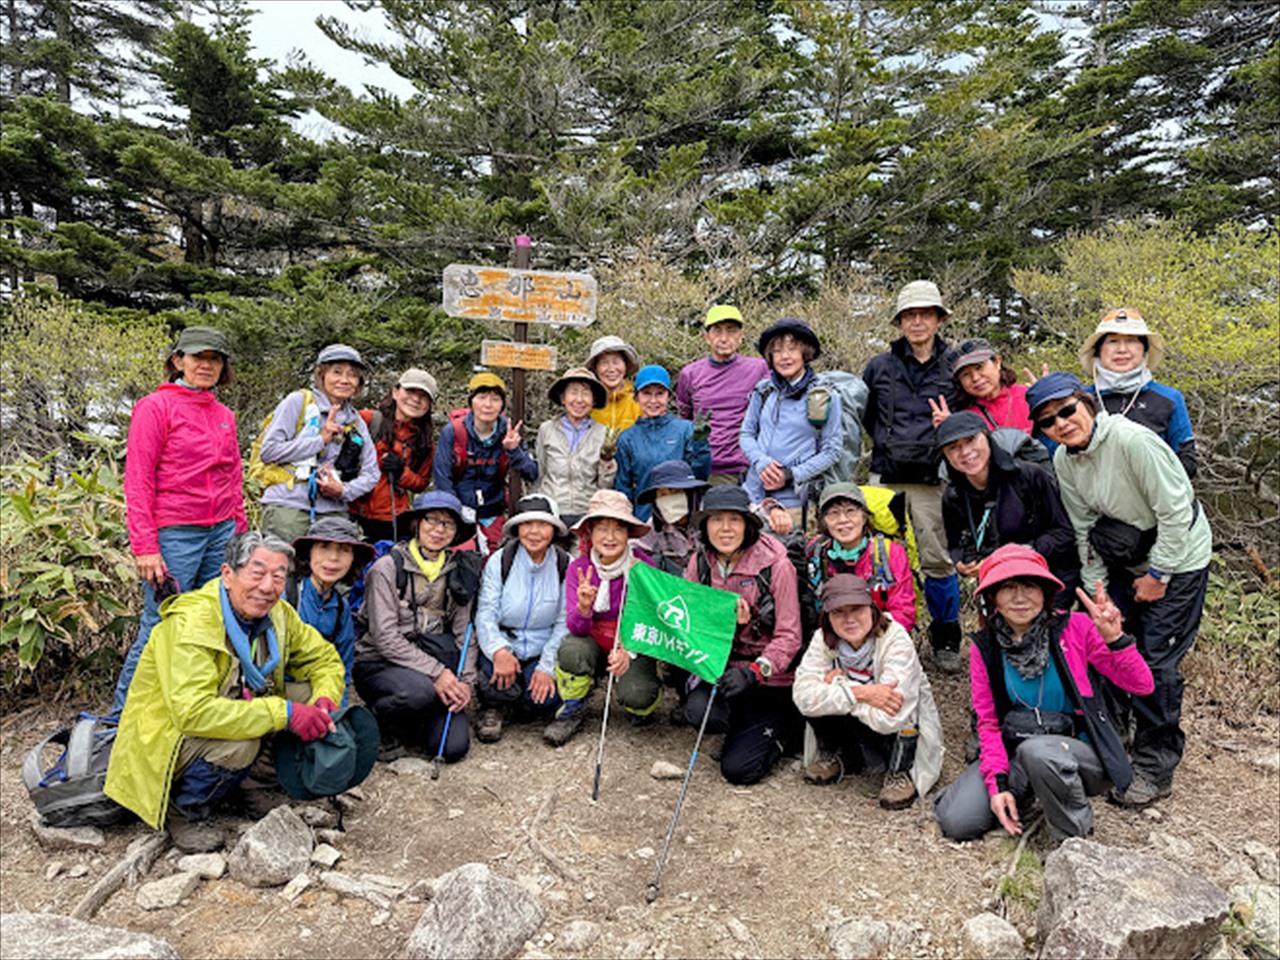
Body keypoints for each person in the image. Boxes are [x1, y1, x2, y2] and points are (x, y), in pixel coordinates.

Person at [1025, 372, 1211, 807]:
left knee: (1156, 660)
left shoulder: (1133, 442)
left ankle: (1155, 764)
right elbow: (1083, 528)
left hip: (1179, 559)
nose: (1061, 424)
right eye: (1048, 421)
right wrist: (1099, 591)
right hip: (1125, 558)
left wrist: (1159, 576)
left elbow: (1176, 511)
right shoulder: (1065, 460)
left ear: (1087, 403)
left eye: (1067, 410)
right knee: (1109, 647)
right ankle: (1115, 737)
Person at [104, 532, 346, 836]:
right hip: (170, 733)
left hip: (235, 705)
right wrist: (284, 713)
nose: (267, 587)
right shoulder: (191, 623)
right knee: (240, 746)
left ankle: (252, 784)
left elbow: (324, 659)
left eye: (278, 577)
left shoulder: (278, 613)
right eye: (257, 574)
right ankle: (184, 809)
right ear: (228, 575)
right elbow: (193, 713)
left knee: (309, 694)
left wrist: (325, 697)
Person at [933, 545, 1154, 842]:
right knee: (958, 820)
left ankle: (1072, 837)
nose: (1020, 597)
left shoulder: (1076, 628)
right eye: (1008, 588)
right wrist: (998, 786)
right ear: (992, 597)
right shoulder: (986, 647)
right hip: (1018, 749)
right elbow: (989, 723)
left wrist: (1115, 639)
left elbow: (1142, 685)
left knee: (1038, 751)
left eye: (1029, 586)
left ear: (1045, 592)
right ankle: (1026, 792)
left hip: (1081, 753)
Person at [111, 326, 248, 718]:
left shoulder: (224, 415)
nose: (206, 365)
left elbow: (233, 479)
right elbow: (138, 480)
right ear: (178, 360)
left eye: (214, 359)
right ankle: (122, 720)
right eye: (197, 357)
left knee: (211, 622)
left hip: (221, 532)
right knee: (160, 623)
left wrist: (239, 535)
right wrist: (145, 547)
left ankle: (189, 708)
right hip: (174, 534)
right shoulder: (155, 407)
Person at [861, 281, 962, 672]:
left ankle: (946, 637)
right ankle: (879, 634)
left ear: (938, 319)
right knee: (876, 556)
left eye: (925, 314)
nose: (917, 322)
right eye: (909, 315)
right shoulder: (879, 366)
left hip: (934, 476)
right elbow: (867, 416)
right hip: (886, 473)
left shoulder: (954, 365)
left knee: (938, 559)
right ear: (900, 321)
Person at [683, 485, 804, 785]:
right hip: (723, 670)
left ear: (747, 524)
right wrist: (729, 627)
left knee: (738, 771)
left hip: (769, 678)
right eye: (716, 519)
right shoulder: (699, 563)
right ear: (705, 526)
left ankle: (788, 730)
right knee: (699, 712)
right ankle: (739, 726)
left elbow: (789, 635)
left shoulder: (777, 566)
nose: (725, 528)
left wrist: (755, 671)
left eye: (734, 520)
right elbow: (692, 623)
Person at [792, 574, 942, 808]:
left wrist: (837, 684)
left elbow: (889, 718)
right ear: (827, 616)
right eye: (839, 612)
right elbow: (803, 697)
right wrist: (862, 692)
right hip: (860, 720)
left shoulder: (895, 638)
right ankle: (844, 754)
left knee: (900, 714)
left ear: (872, 609)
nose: (849, 619)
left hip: (893, 731)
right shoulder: (823, 639)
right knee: (818, 701)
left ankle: (901, 771)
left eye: (857, 609)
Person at [354, 491, 481, 762]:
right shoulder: (387, 568)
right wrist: (438, 673)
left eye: (448, 523)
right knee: (417, 692)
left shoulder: (459, 572)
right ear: (416, 523)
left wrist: (464, 682)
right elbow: (385, 638)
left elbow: (464, 632)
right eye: (431, 520)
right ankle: (380, 723)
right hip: (380, 663)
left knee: (452, 748)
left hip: (432, 663)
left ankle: (415, 722)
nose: (439, 530)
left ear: (456, 532)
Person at [543, 490, 659, 746]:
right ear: (590, 533)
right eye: (602, 529)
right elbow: (576, 628)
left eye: (618, 529)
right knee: (571, 650)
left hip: (631, 641)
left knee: (639, 695)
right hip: (594, 639)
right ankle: (574, 705)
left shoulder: (644, 567)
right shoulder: (579, 568)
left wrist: (627, 650)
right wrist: (584, 607)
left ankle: (639, 705)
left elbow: (651, 620)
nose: (610, 537)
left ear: (628, 534)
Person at [936, 411, 1079, 606]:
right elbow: (955, 544)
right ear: (945, 456)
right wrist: (962, 563)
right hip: (997, 589)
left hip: (1047, 583)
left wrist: (1020, 554)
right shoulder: (953, 495)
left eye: (971, 440)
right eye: (953, 447)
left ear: (987, 438)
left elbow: (1063, 532)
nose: (965, 452)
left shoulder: (1028, 476)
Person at [257, 344, 379, 544]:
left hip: (334, 511)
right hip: (288, 506)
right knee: (285, 563)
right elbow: (269, 451)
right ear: (321, 375)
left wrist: (344, 491)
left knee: (332, 564)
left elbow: (371, 472)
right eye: (336, 372)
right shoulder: (298, 402)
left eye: (352, 375)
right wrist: (320, 440)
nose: (344, 380)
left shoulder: (355, 421)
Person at [474, 495, 571, 744]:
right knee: (495, 679)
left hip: (541, 647)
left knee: (543, 700)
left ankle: (520, 700)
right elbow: (486, 612)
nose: (534, 532)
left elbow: (564, 621)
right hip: (505, 640)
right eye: (527, 524)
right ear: (517, 528)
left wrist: (546, 666)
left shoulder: (565, 564)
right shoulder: (500, 561)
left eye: (543, 524)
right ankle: (493, 705)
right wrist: (499, 650)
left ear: (554, 529)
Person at [740, 317, 843, 533]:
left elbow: (832, 450)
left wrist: (791, 474)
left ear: (805, 353)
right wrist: (761, 461)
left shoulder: (825, 395)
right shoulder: (763, 390)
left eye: (792, 349)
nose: (784, 357)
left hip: (796, 502)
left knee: (792, 553)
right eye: (777, 351)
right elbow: (747, 433)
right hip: (754, 496)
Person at [1080, 308, 1197, 478]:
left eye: (1131, 340)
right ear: (1097, 350)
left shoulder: (1170, 398)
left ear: (1144, 349)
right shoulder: (1080, 400)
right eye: (1112, 341)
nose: (1122, 349)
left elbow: (1187, 462)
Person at [432, 372, 538, 553]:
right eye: (481, 398)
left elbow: (532, 472)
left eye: (495, 399)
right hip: (459, 511)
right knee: (460, 559)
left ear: (502, 405)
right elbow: (442, 477)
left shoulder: (510, 431)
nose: (488, 405)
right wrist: (454, 514)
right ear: (471, 401)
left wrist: (514, 450)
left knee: (495, 560)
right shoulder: (453, 432)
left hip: (493, 514)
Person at [675, 305, 770, 484]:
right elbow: (685, 419)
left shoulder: (759, 369)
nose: (724, 338)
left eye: (731, 331)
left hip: (749, 468)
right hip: (705, 468)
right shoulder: (690, 374)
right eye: (717, 331)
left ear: (741, 336)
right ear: (706, 337)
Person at [805, 483, 917, 634]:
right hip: (831, 634)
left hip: (882, 632)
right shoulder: (815, 551)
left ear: (864, 517)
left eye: (851, 511)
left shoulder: (889, 552)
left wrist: (869, 637)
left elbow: (903, 610)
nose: (843, 519)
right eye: (833, 513)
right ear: (824, 521)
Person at [289, 516, 374, 707]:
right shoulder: (287, 595)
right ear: (309, 552)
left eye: (344, 550)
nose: (333, 558)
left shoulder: (341, 608)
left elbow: (343, 668)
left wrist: (337, 712)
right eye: (324, 547)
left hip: (321, 690)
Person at [350, 368, 439, 544]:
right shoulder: (367, 420)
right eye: (410, 391)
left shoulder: (425, 444)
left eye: (423, 396)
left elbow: (421, 483)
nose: (416, 399)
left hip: (393, 520)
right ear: (395, 392)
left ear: (429, 405)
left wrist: (401, 472)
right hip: (351, 512)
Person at [614, 365, 711, 523]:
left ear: (669, 396)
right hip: (644, 517)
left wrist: (701, 446)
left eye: (660, 393)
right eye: (646, 393)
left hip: (682, 517)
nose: (653, 400)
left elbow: (699, 476)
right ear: (636, 397)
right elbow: (623, 487)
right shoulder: (627, 438)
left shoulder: (685, 429)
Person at [533, 367, 616, 526]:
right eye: (573, 392)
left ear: (594, 400)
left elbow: (605, 486)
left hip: (587, 513)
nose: (579, 400)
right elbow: (541, 472)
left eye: (585, 393)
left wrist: (607, 462)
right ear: (563, 398)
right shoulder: (547, 429)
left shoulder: (603, 433)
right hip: (552, 512)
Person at [930, 337, 1032, 433]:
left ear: (997, 362)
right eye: (965, 374)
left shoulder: (1028, 397)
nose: (975, 378)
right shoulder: (965, 418)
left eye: (979, 367)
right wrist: (952, 430)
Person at [585, 334, 642, 437]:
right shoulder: (587, 404)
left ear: (626, 365)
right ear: (595, 368)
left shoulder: (639, 402)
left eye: (616, 362)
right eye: (604, 363)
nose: (611, 369)